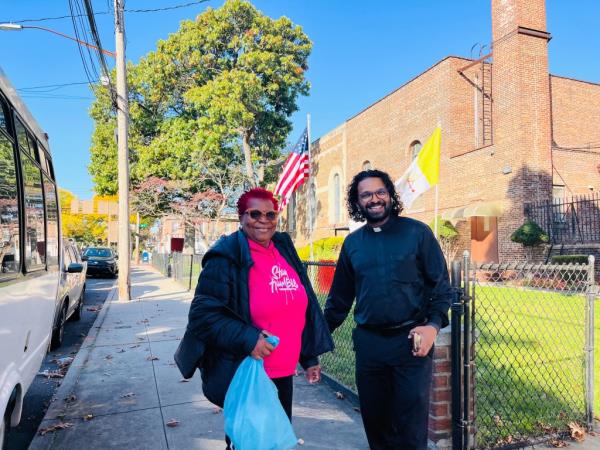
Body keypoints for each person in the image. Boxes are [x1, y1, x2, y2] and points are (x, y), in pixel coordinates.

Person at [186, 187, 333, 448]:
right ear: (241, 218)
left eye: (270, 214)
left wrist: (309, 357)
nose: (263, 219)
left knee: (277, 443)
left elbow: (301, 308)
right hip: (249, 375)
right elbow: (202, 316)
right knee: (250, 444)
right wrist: (249, 338)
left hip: (283, 374)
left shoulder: (283, 249)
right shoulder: (226, 257)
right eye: (254, 214)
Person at [324, 169, 453, 450]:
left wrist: (433, 326)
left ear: (390, 196)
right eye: (366, 195)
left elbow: (442, 287)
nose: (374, 199)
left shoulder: (417, 233)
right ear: (357, 203)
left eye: (380, 192)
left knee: (410, 429)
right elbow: (338, 301)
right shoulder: (353, 244)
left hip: (411, 343)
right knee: (377, 425)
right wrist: (312, 344)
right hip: (370, 346)